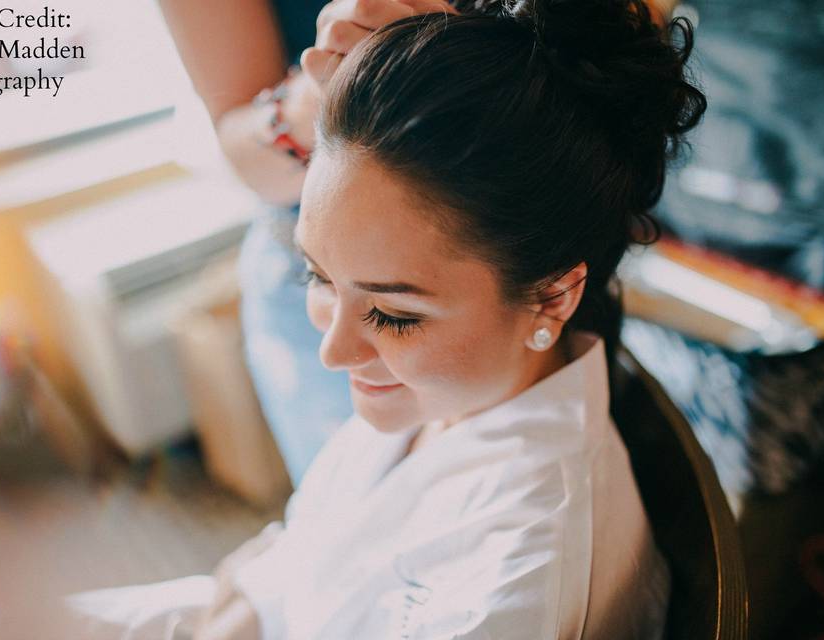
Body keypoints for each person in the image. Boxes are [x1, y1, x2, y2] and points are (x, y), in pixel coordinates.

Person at [70, 0, 705, 637]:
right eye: (317, 276)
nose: (332, 352)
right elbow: (288, 579)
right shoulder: (434, 396)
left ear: (553, 297)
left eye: (395, 314)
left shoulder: (512, 589)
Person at [159, 0, 453, 485]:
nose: (335, 353)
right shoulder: (336, 328)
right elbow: (241, 151)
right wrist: (319, 97)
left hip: (507, 250)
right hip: (319, 266)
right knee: (353, 514)